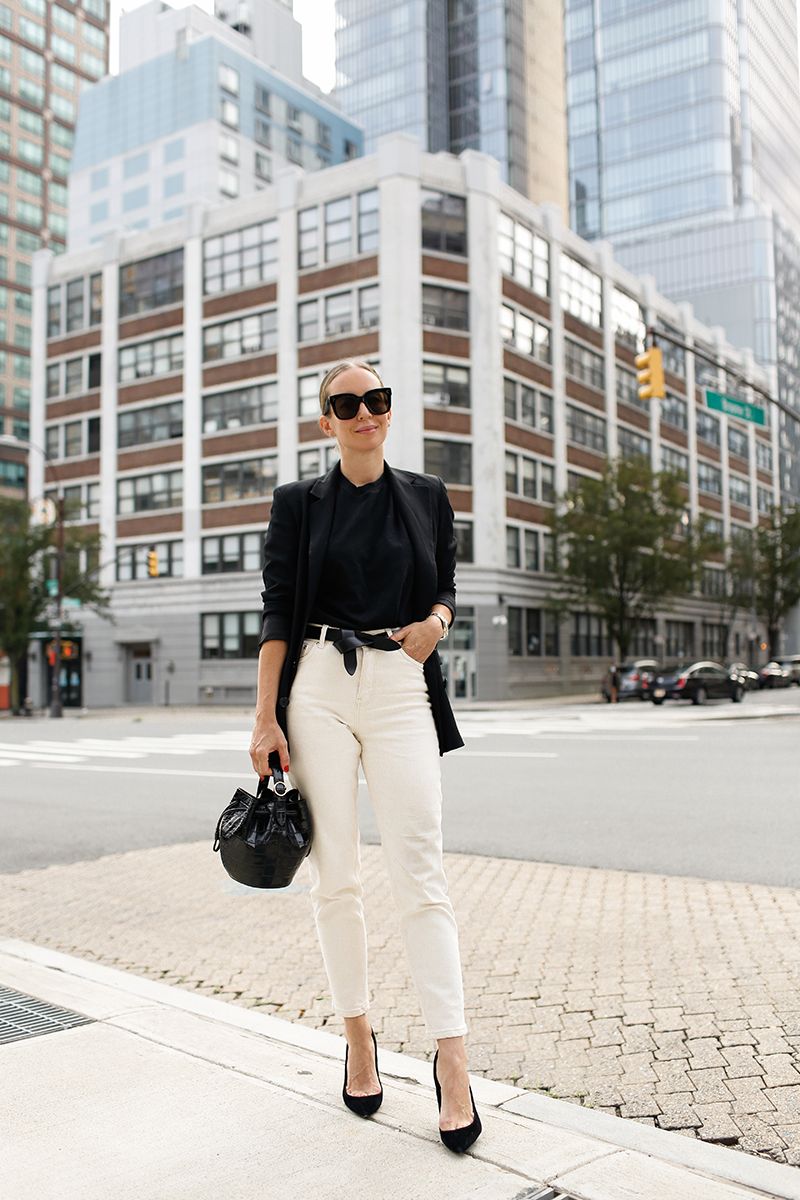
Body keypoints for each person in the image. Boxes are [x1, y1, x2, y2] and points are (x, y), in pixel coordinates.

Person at [249, 359, 481, 1154]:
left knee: (421, 869)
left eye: (375, 400)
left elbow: (446, 580)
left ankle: (452, 1060)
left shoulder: (425, 496)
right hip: (316, 684)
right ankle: (358, 1038)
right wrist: (263, 718)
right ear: (326, 422)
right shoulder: (297, 505)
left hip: (399, 682)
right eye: (345, 404)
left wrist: (438, 623)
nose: (363, 413)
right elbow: (278, 611)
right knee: (336, 874)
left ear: (389, 411)